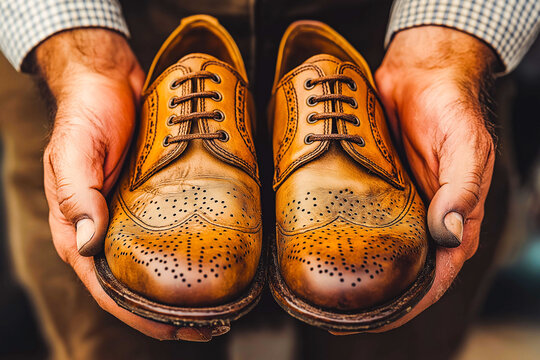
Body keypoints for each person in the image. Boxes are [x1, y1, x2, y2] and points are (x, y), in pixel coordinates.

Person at [0, 0, 538, 358]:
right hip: (115, 51)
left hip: (394, 49)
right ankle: (182, 84)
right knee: (113, 346)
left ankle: (328, 80)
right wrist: (81, 56)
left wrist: (444, 50)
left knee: (396, 347)